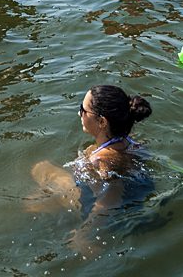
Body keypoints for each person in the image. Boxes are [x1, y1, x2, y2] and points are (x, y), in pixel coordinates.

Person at [28, 85, 154, 255]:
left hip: (93, 207)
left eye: (83, 110)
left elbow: (110, 198)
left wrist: (85, 233)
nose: (79, 114)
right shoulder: (133, 144)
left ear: (102, 122)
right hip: (135, 201)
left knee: (41, 169)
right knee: (42, 190)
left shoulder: (101, 160)